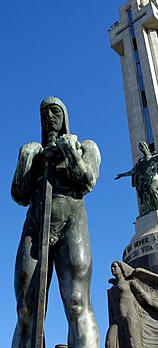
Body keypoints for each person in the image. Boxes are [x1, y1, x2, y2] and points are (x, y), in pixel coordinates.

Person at [11, 97, 100, 348]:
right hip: (34, 225)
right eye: (44, 113)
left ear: (65, 117)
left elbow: (86, 181)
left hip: (71, 222)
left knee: (76, 301)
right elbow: (19, 195)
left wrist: (70, 151)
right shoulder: (35, 155)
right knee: (25, 309)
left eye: (54, 111)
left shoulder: (85, 146)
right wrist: (25, 160)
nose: (49, 117)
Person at [105, 261, 158, 348]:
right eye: (111, 268)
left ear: (121, 268)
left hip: (129, 317)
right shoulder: (112, 289)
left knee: (133, 344)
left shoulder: (130, 283)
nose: (112, 269)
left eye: (115, 267)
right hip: (116, 320)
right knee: (109, 343)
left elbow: (147, 300)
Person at [115, 141, 158, 216]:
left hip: (155, 177)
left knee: (151, 188)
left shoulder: (155, 156)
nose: (141, 148)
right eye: (139, 147)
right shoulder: (141, 161)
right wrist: (122, 175)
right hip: (146, 179)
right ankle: (144, 211)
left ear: (146, 147)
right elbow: (132, 171)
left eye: (142, 146)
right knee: (142, 193)